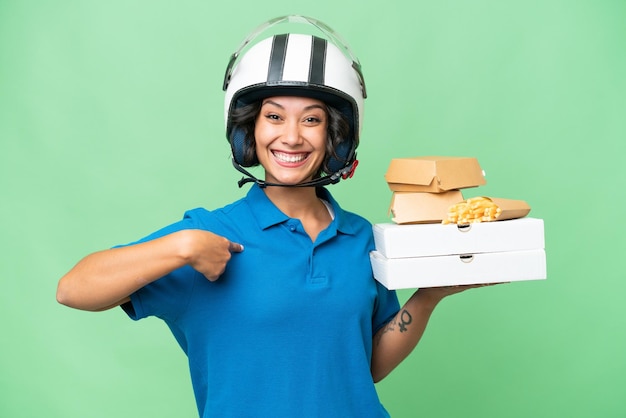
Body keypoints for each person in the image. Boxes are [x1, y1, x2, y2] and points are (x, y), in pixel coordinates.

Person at [57, 15, 485, 418]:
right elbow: (73, 289)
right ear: (248, 132)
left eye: (312, 120)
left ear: (336, 137)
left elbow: (365, 366)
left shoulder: (362, 237)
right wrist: (181, 246)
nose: (292, 136)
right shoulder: (208, 234)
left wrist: (428, 297)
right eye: (274, 116)